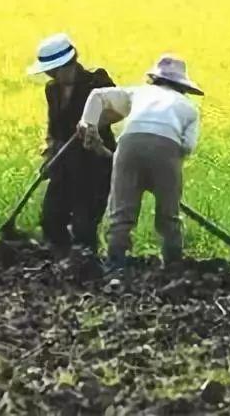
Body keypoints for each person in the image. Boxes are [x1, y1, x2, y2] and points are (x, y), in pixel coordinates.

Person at [77, 55, 202, 270]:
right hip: (167, 147)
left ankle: (115, 262)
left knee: (121, 211)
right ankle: (173, 264)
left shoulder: (140, 92)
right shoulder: (189, 108)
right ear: (182, 87)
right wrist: (164, 174)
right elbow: (187, 146)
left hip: (129, 144)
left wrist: (88, 124)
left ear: (154, 79)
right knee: (168, 214)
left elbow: (97, 95)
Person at [27, 33, 116, 256]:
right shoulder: (52, 90)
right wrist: (49, 154)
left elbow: (116, 111)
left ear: (67, 64)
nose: (50, 75)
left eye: (52, 70)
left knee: (84, 222)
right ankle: (59, 265)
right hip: (64, 161)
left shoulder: (97, 81)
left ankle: (86, 268)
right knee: (51, 218)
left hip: (94, 158)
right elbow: (53, 127)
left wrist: (90, 123)